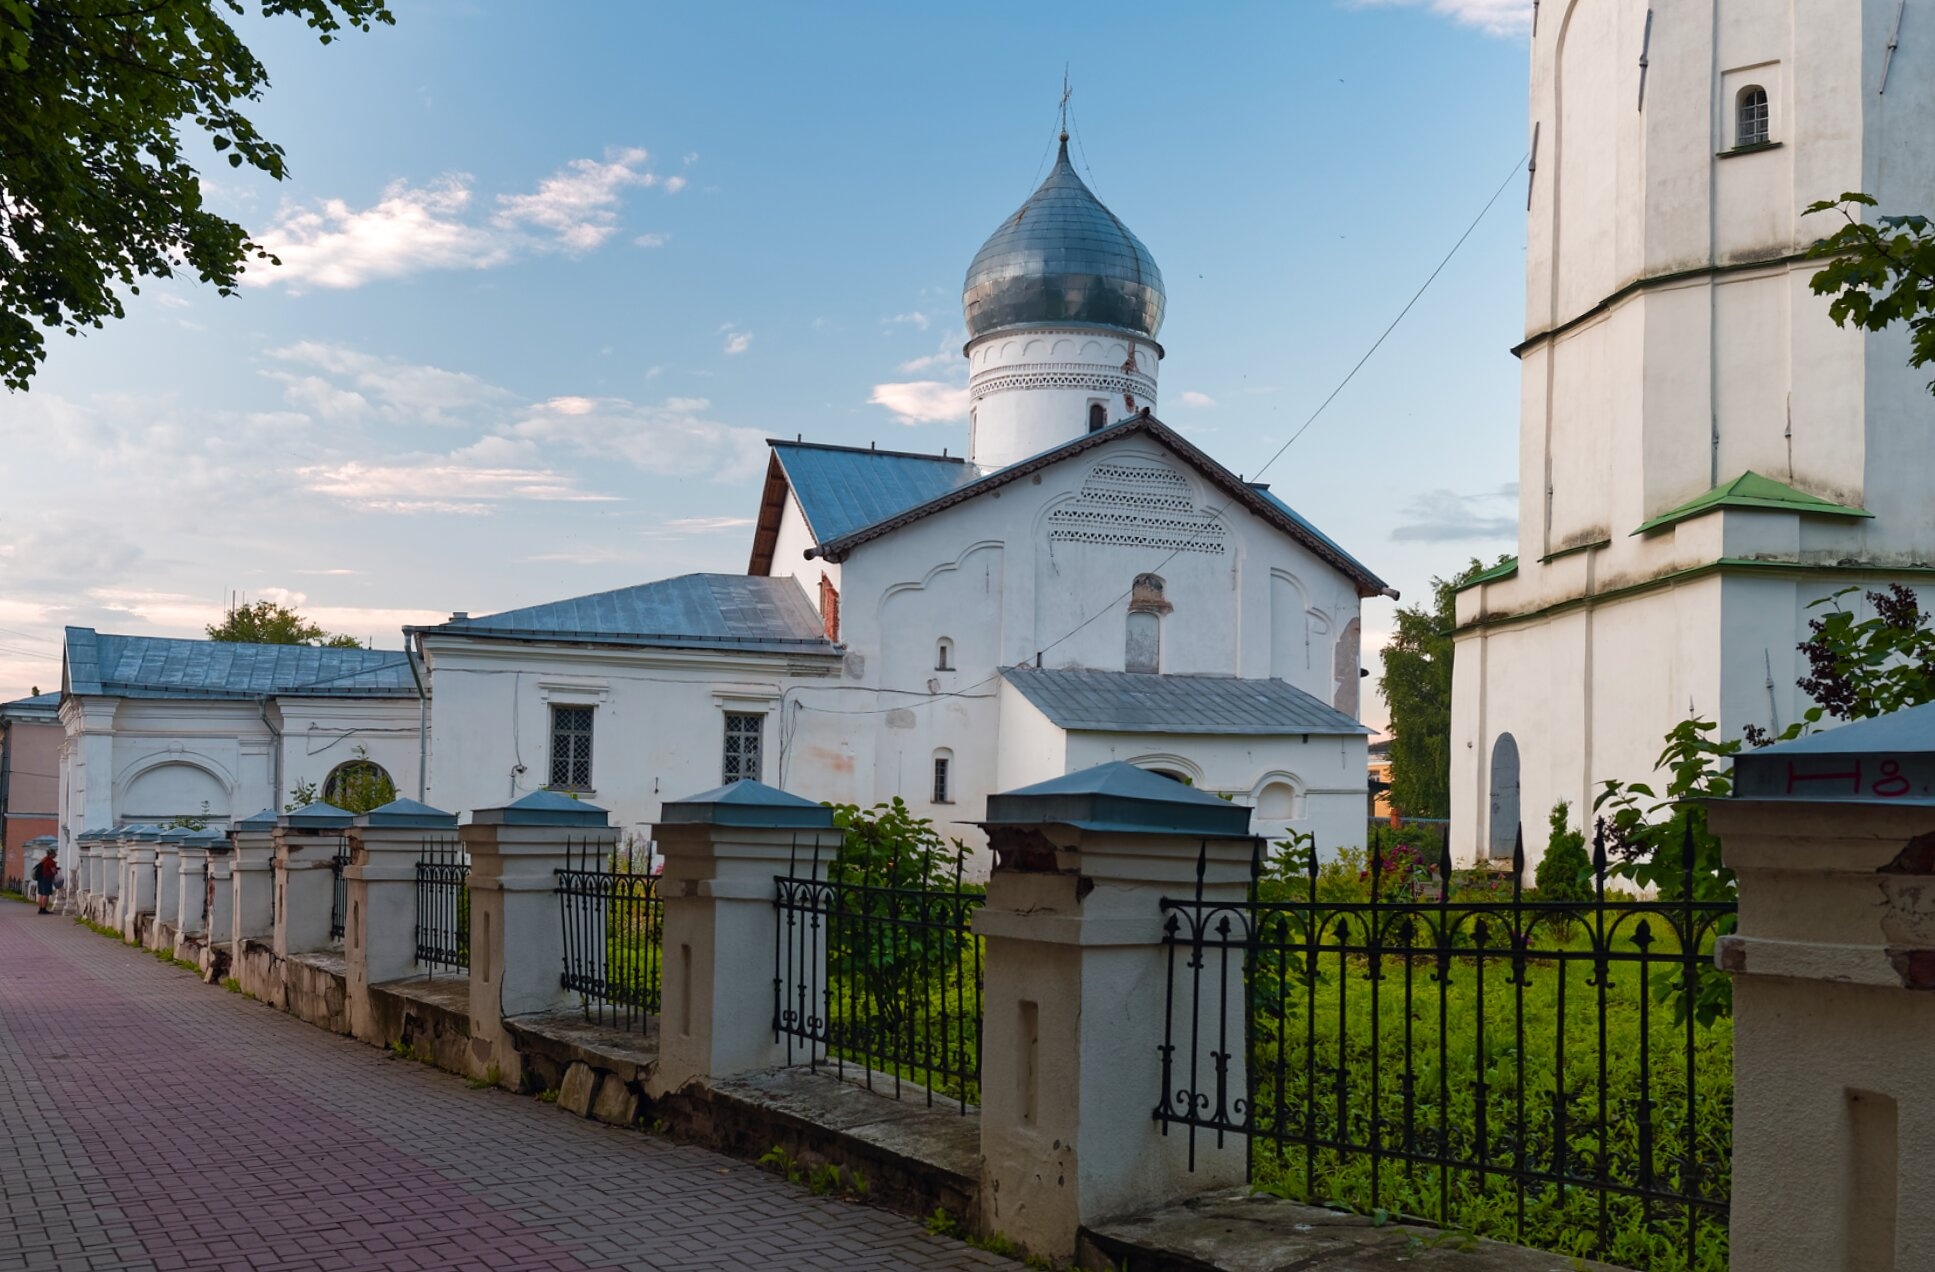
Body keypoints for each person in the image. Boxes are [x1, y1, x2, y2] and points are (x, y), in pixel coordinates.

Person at [31, 846, 58, 916]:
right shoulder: (51, 862)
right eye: (54, 853)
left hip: (41, 878)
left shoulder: (43, 860)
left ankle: (40, 909)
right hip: (47, 879)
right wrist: (56, 869)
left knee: (41, 894)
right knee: (46, 894)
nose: (56, 854)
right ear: (51, 854)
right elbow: (53, 871)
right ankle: (44, 909)